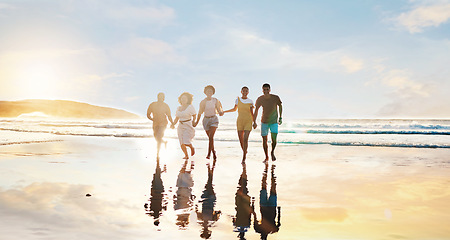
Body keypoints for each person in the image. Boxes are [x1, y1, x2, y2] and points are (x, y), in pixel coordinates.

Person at [223, 86, 257, 162]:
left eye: (246, 91)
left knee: (245, 139)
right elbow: (234, 109)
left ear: (248, 92)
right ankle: (245, 151)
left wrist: (254, 122)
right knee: (241, 140)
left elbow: (252, 113)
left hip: (248, 121)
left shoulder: (250, 101)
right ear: (241, 92)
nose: (245, 92)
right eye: (243, 91)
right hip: (240, 121)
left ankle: (244, 157)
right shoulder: (237, 100)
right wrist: (224, 112)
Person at [254, 83, 283, 161]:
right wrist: (254, 121)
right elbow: (256, 110)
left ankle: (272, 152)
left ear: (270, 90)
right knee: (264, 140)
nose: (266, 91)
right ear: (262, 90)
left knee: (274, 140)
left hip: (274, 122)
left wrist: (280, 117)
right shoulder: (260, 99)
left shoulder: (275, 97)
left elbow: (280, 106)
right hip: (264, 121)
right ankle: (266, 156)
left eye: (267, 89)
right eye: (264, 90)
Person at [194, 85, 223, 160]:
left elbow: (219, 109)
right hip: (206, 120)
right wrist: (196, 122)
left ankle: (209, 154)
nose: (209, 92)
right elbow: (200, 113)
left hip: (214, 119)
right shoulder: (203, 102)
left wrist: (220, 112)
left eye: (211, 91)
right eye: (208, 91)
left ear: (213, 92)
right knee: (210, 139)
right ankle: (213, 152)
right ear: (205, 92)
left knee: (211, 137)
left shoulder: (215, 100)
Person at [147, 92, 174, 158]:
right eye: (160, 97)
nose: (161, 98)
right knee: (156, 137)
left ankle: (158, 153)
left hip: (163, 123)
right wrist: (152, 119)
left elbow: (169, 116)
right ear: (157, 97)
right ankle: (164, 142)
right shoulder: (152, 104)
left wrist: (172, 123)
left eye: (162, 97)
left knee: (159, 137)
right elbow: (148, 114)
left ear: (164, 98)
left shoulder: (166, 106)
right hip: (155, 124)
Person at [171, 92, 196, 159]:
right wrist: (173, 124)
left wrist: (194, 121)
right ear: (180, 99)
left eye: (185, 98)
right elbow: (177, 118)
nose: (183, 100)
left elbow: (194, 115)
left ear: (188, 99)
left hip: (188, 125)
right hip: (180, 126)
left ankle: (191, 147)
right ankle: (186, 155)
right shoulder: (178, 108)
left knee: (186, 141)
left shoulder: (190, 107)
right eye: (182, 98)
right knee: (181, 143)